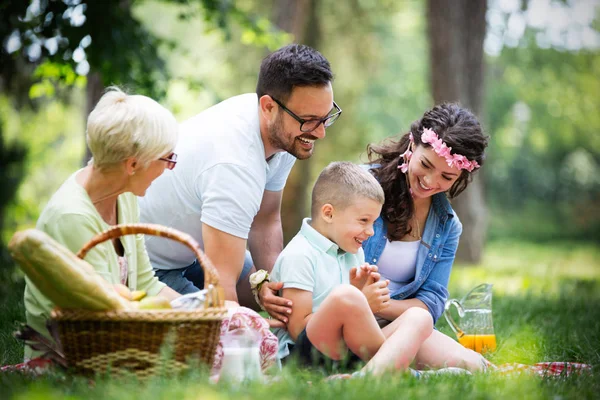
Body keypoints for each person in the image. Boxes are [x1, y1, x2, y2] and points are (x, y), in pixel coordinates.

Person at [262, 104, 491, 371]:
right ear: (412, 146)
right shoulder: (361, 189)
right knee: (407, 355)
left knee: (474, 365)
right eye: (425, 164)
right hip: (337, 322)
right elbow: (320, 250)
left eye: (447, 176)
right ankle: (382, 371)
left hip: (389, 320)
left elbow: (432, 302)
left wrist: (378, 305)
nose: (430, 180)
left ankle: (376, 372)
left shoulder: (447, 224)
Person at [138, 44, 341, 315]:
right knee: (228, 336)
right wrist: (242, 329)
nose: (320, 133)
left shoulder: (286, 131)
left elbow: (266, 218)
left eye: (326, 117)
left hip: (197, 250)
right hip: (151, 264)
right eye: (309, 120)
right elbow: (222, 286)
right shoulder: (235, 164)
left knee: (295, 301)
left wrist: (272, 286)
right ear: (268, 107)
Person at [23, 87, 181, 359]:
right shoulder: (72, 217)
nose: (170, 167)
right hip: (72, 357)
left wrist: (203, 310)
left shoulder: (124, 195)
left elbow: (145, 284)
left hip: (115, 337)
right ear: (132, 165)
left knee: (229, 332)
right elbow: (106, 316)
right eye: (167, 158)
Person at [272, 162, 435, 375]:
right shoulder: (299, 255)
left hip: (346, 351)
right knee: (346, 296)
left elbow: (359, 321)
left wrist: (368, 302)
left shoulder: (353, 252)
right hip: (304, 358)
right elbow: (298, 331)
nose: (370, 232)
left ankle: (365, 377)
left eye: (374, 222)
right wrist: (359, 301)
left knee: (420, 317)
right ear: (328, 214)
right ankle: (398, 373)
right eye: (363, 221)